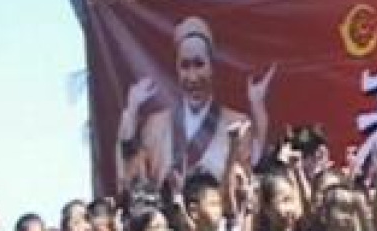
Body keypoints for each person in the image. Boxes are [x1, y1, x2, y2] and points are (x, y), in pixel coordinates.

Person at [117, 16, 275, 193]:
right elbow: (132, 179)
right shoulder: (155, 126)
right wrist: (131, 110)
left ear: (212, 67)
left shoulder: (237, 123)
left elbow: (252, 173)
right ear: (177, 70)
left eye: (199, 64)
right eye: (185, 66)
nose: (193, 77)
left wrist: (258, 108)